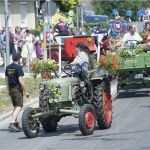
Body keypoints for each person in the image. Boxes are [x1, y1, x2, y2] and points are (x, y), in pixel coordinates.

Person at [5, 53, 25, 132]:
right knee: (19, 106)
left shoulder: (8, 67)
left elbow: (6, 79)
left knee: (15, 106)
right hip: (17, 88)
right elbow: (20, 80)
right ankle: (12, 123)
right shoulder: (18, 67)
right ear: (19, 59)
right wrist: (25, 90)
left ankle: (16, 124)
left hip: (11, 88)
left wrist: (8, 90)